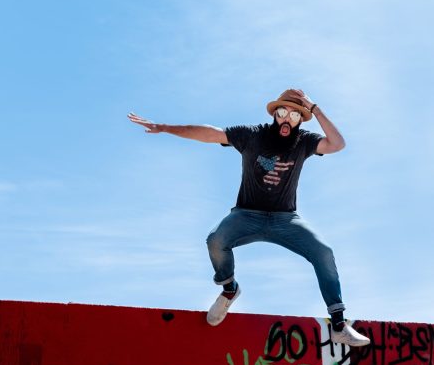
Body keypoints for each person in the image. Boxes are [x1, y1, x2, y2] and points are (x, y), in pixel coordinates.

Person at [128, 89, 370, 346]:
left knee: (324, 252)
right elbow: (210, 133)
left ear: (301, 119)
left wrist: (316, 109)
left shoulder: (305, 141)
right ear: (274, 114)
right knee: (215, 240)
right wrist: (165, 127)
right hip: (247, 215)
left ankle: (339, 324)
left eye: (294, 115)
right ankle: (229, 289)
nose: (287, 120)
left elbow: (337, 144)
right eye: (282, 113)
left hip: (285, 219)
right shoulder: (252, 135)